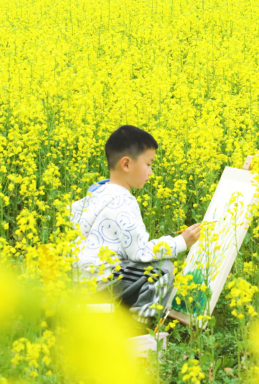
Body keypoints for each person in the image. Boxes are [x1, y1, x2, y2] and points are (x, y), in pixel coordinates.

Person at [70, 125, 201, 325]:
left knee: (136, 268)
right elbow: (140, 252)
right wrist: (181, 242)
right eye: (148, 164)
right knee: (162, 271)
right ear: (126, 165)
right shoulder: (123, 201)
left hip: (77, 280)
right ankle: (136, 332)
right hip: (97, 284)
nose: (151, 172)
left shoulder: (97, 191)